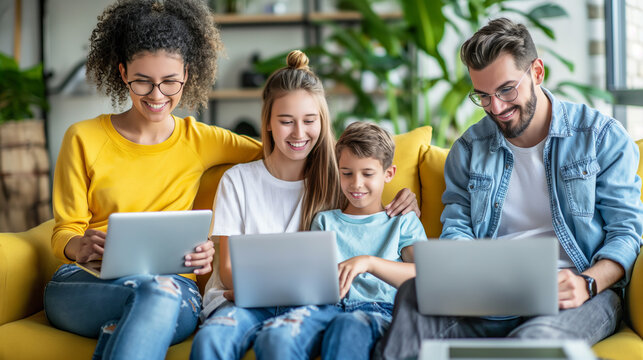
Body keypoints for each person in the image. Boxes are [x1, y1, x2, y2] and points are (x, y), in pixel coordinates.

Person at [375, 17, 643, 360]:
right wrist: (463, 274)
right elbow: (458, 227)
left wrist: (587, 282)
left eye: (506, 90)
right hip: (489, 298)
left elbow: (626, 233)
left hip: (576, 294)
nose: (496, 108)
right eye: (483, 97)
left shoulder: (600, 137)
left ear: (537, 72)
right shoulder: (469, 150)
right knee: (413, 294)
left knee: (532, 343)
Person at [43, 1, 263, 359]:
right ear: (122, 71)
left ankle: (119, 334)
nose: (157, 95)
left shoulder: (202, 139)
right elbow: (64, 230)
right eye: (142, 82)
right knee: (152, 298)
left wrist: (209, 248)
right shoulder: (82, 137)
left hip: (176, 290)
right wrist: (77, 246)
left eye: (169, 82)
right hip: (87, 283)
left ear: (187, 74)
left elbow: (288, 149)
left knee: (158, 294)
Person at [190, 51, 420, 360]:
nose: (299, 133)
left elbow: (368, 203)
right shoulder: (238, 180)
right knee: (211, 341)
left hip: (303, 307)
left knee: (282, 342)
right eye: (286, 122)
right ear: (268, 123)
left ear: (322, 123)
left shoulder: (335, 179)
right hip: (241, 301)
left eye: (309, 121)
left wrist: (408, 198)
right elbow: (229, 272)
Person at [249, 121, 428, 360]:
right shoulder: (324, 222)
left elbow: (424, 277)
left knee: (347, 328)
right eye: (347, 173)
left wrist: (368, 263)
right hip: (325, 309)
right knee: (276, 334)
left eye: (367, 174)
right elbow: (309, 279)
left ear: (388, 174)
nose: (356, 183)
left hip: (375, 310)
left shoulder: (402, 222)